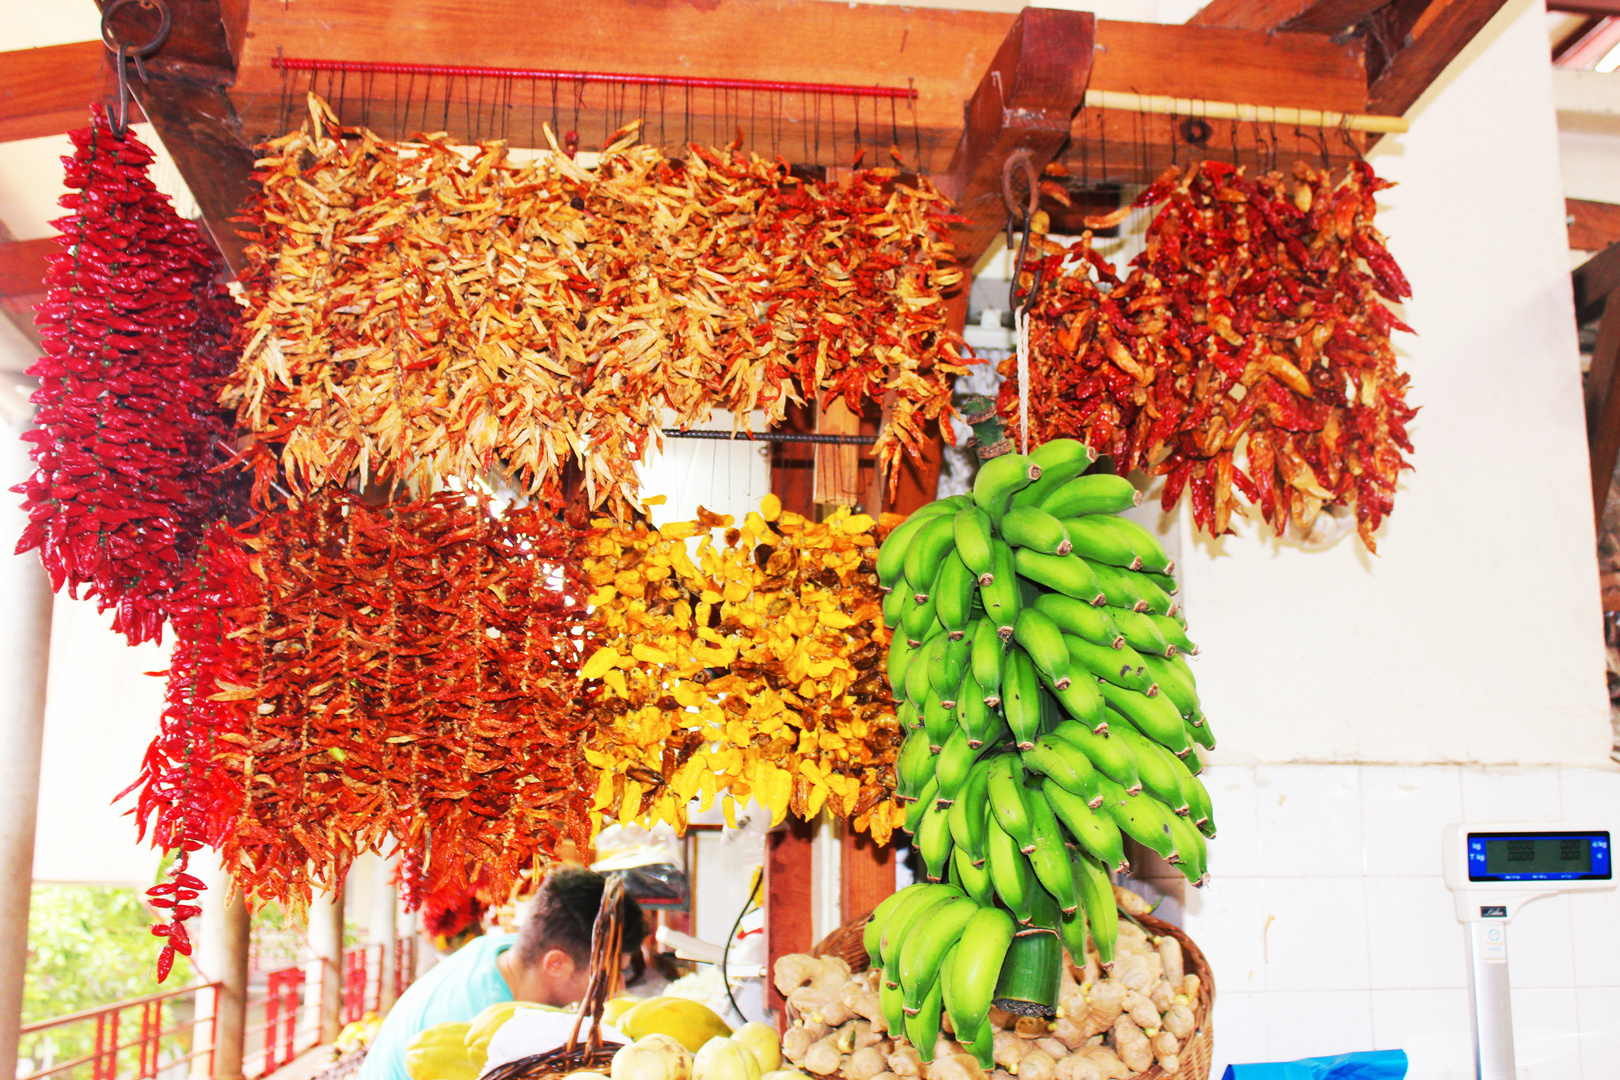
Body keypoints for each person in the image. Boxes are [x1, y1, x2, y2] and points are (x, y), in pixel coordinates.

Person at [361, 868, 646, 1080]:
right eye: (612, 974)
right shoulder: (478, 1032)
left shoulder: (501, 949)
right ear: (557, 964)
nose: (619, 987)